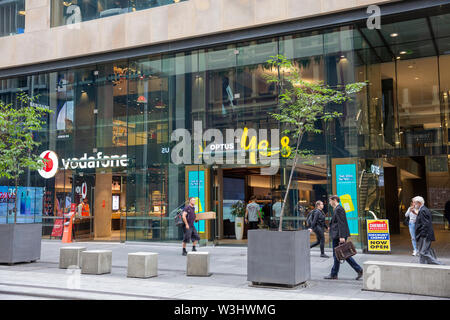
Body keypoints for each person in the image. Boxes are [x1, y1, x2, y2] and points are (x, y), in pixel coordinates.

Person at [324, 195, 363, 280]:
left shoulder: (339, 209)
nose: (330, 203)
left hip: (339, 236)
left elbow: (342, 223)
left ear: (334, 200)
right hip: (337, 235)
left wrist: (342, 236)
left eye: (330, 201)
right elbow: (337, 222)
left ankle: (358, 269)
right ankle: (335, 274)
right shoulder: (337, 209)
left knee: (340, 254)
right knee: (340, 254)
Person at [413, 196, 443, 265]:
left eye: (414, 203)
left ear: (419, 203)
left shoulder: (423, 210)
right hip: (424, 234)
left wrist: (422, 235)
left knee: (423, 252)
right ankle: (422, 264)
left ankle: (437, 263)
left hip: (424, 235)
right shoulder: (423, 209)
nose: (414, 204)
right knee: (423, 251)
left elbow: (425, 224)